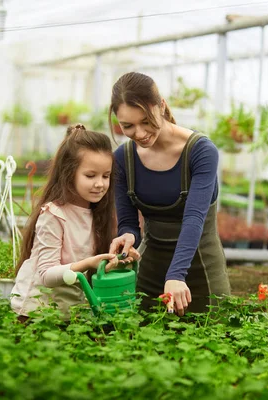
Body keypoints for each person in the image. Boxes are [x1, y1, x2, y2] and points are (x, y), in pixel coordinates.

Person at [109, 72, 231, 316]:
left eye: (146, 120)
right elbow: (129, 222)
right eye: (127, 126)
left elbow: (194, 218)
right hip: (150, 270)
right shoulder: (124, 159)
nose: (140, 133)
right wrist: (127, 237)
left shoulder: (200, 151)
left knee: (213, 342)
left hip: (201, 267)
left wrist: (176, 275)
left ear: (161, 106)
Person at [11, 124, 139, 320]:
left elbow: (94, 268)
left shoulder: (100, 213)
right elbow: (46, 274)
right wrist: (88, 263)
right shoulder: (54, 215)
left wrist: (118, 260)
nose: (100, 184)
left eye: (106, 176)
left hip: (72, 313)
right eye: (90, 175)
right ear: (69, 173)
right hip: (36, 313)